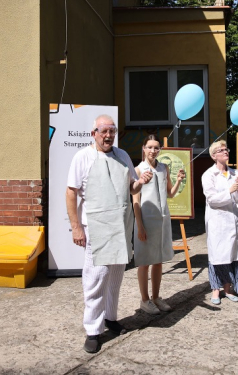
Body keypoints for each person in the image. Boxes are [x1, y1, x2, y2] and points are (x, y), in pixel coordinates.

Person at [66, 114, 153, 354]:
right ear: (93, 133)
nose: (108, 135)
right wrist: (76, 226)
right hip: (96, 227)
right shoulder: (82, 157)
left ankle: (110, 318)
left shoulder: (123, 156)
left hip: (120, 227)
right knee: (96, 278)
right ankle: (93, 330)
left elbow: (131, 187)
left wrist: (141, 181)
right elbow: (71, 192)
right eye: (103, 131)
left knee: (115, 276)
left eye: (112, 131)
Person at [132, 135, 186, 314]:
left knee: (158, 260)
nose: (153, 151)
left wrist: (178, 180)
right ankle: (145, 300)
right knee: (144, 261)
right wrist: (140, 226)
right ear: (144, 148)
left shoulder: (163, 168)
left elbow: (169, 193)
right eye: (149, 147)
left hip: (162, 220)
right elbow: (136, 201)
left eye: (156, 148)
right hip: (146, 220)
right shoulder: (138, 170)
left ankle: (156, 297)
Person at [201, 140, 238, 305]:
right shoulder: (208, 175)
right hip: (218, 221)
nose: (226, 152)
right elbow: (212, 199)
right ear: (214, 156)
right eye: (221, 150)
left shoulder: (233, 173)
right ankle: (216, 290)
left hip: (233, 220)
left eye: (226, 149)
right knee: (218, 256)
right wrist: (229, 190)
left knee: (232, 256)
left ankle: (228, 289)